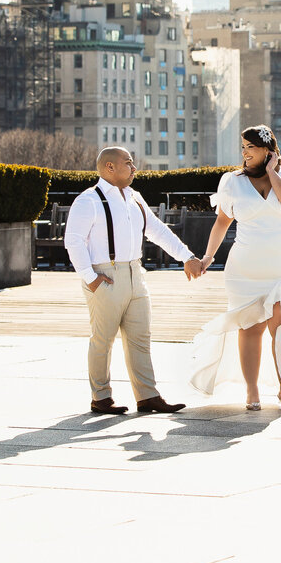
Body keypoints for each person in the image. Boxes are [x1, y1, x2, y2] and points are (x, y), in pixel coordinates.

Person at [64, 146, 205, 415]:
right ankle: (101, 398)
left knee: (141, 337)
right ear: (109, 168)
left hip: (135, 273)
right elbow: (74, 241)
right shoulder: (89, 200)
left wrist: (186, 256)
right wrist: (91, 278)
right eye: (128, 163)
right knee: (102, 340)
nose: (134, 168)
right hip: (104, 276)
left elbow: (158, 231)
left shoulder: (135, 197)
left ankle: (148, 396)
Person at [189, 125, 281, 411]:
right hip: (245, 271)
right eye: (242, 147)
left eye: (250, 147)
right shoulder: (232, 181)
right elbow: (221, 222)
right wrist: (207, 257)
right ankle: (252, 391)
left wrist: (272, 173)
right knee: (250, 329)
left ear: (268, 151)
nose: (244, 153)